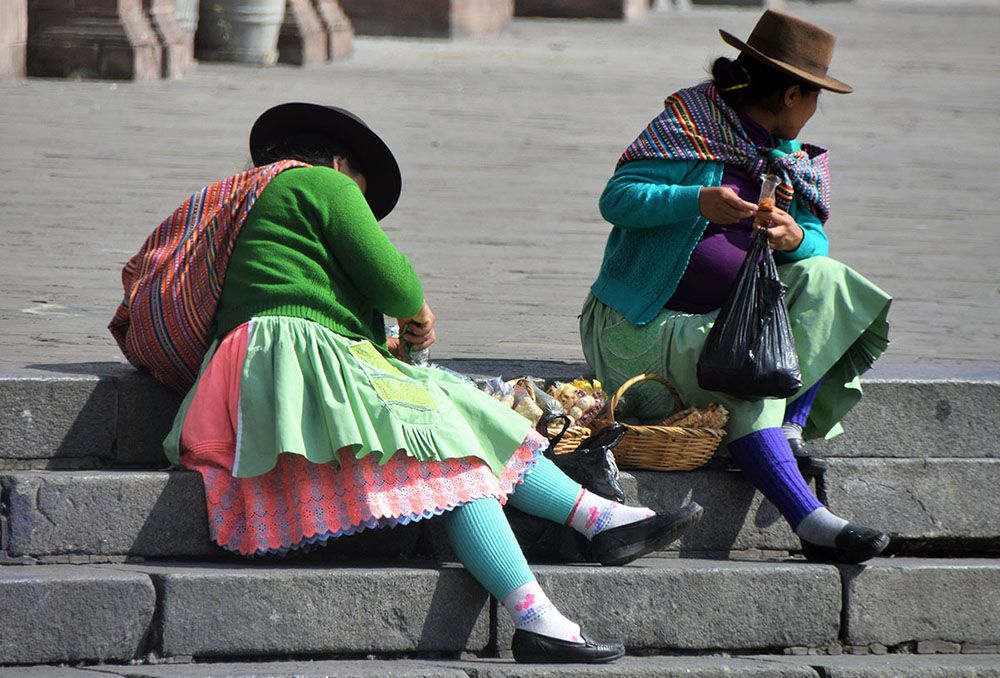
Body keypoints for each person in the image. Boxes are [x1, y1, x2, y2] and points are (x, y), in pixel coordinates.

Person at [112, 102, 704, 664]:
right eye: (363, 195)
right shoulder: (321, 183)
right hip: (291, 361)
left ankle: (595, 519)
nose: (359, 204)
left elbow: (317, 296)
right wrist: (416, 311)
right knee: (454, 465)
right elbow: (391, 280)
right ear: (346, 166)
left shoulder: (256, 198)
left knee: (450, 400)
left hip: (259, 369)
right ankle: (539, 614)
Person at [579, 10, 892, 565]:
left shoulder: (790, 160)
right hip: (648, 333)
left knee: (829, 278)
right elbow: (616, 199)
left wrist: (794, 236)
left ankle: (788, 430)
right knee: (751, 374)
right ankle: (811, 520)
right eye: (815, 95)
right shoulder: (689, 124)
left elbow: (814, 248)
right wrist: (694, 201)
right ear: (792, 93)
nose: (816, 109)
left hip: (729, 331)